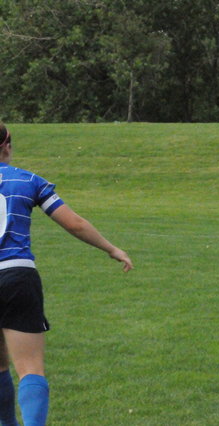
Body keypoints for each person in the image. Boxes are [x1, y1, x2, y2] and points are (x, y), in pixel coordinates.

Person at [0, 123, 133, 426]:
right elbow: (74, 223)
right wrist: (111, 249)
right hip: (16, 276)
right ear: (7, 144)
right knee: (30, 368)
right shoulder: (27, 180)